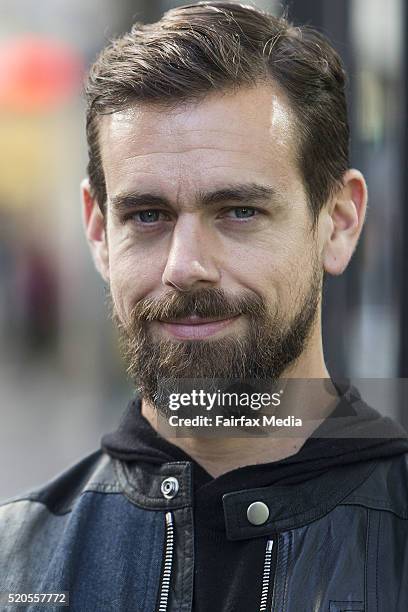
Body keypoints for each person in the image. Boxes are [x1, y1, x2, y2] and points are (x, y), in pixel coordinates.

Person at [1, 2, 407, 611]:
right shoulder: (16, 565)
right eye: (147, 216)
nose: (185, 266)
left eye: (239, 211)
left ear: (340, 221)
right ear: (98, 232)